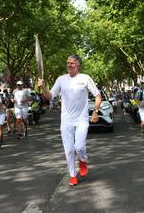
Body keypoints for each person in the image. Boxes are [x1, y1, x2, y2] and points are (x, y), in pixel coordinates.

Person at [38, 54, 101, 186]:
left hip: (82, 119)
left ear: (78, 65)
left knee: (79, 147)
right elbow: (50, 96)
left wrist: (95, 111)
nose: (69, 65)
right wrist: (43, 87)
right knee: (69, 149)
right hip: (66, 120)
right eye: (68, 63)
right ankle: (73, 175)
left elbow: (98, 95)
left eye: (72, 63)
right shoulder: (61, 79)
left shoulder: (85, 78)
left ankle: (83, 160)